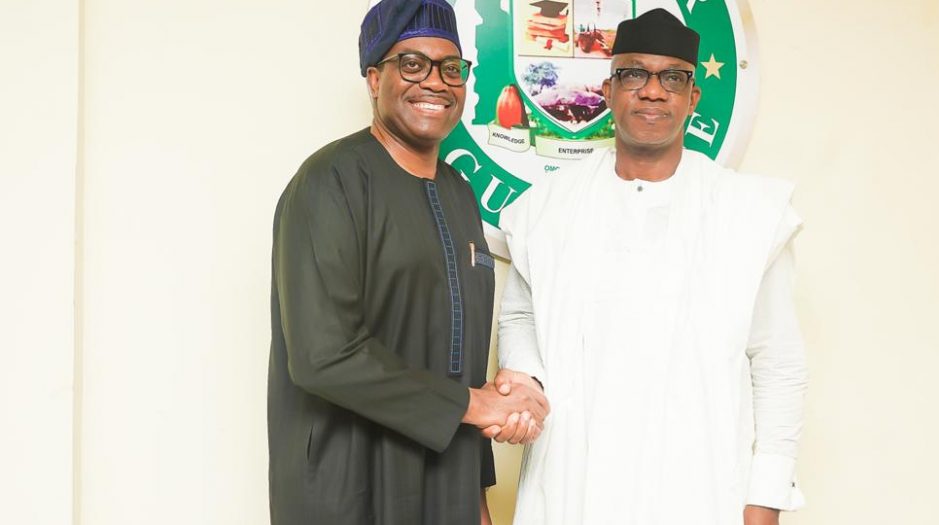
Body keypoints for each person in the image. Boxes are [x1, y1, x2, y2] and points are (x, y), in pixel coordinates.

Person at [496, 8, 807, 525]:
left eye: (673, 78)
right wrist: (525, 380)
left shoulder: (748, 213)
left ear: (693, 97)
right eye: (634, 74)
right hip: (575, 482)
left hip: (698, 485)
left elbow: (778, 363)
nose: (653, 92)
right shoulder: (547, 208)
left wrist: (765, 497)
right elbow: (520, 315)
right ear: (608, 90)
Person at [267, 1, 549, 523]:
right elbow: (323, 356)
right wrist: (477, 405)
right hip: (348, 489)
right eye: (413, 64)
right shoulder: (329, 183)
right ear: (375, 79)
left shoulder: (460, 194)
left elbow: (461, 362)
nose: (436, 82)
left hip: (444, 494)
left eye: (450, 68)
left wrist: (477, 502)